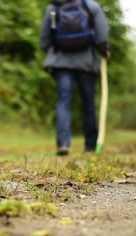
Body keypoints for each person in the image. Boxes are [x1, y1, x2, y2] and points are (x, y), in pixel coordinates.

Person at [40, 0, 110, 156]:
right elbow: (102, 34)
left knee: (63, 101)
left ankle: (63, 143)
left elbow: (44, 39)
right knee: (88, 103)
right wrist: (104, 50)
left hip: (61, 61)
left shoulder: (53, 7)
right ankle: (91, 146)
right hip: (87, 61)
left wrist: (54, 52)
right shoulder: (91, 6)